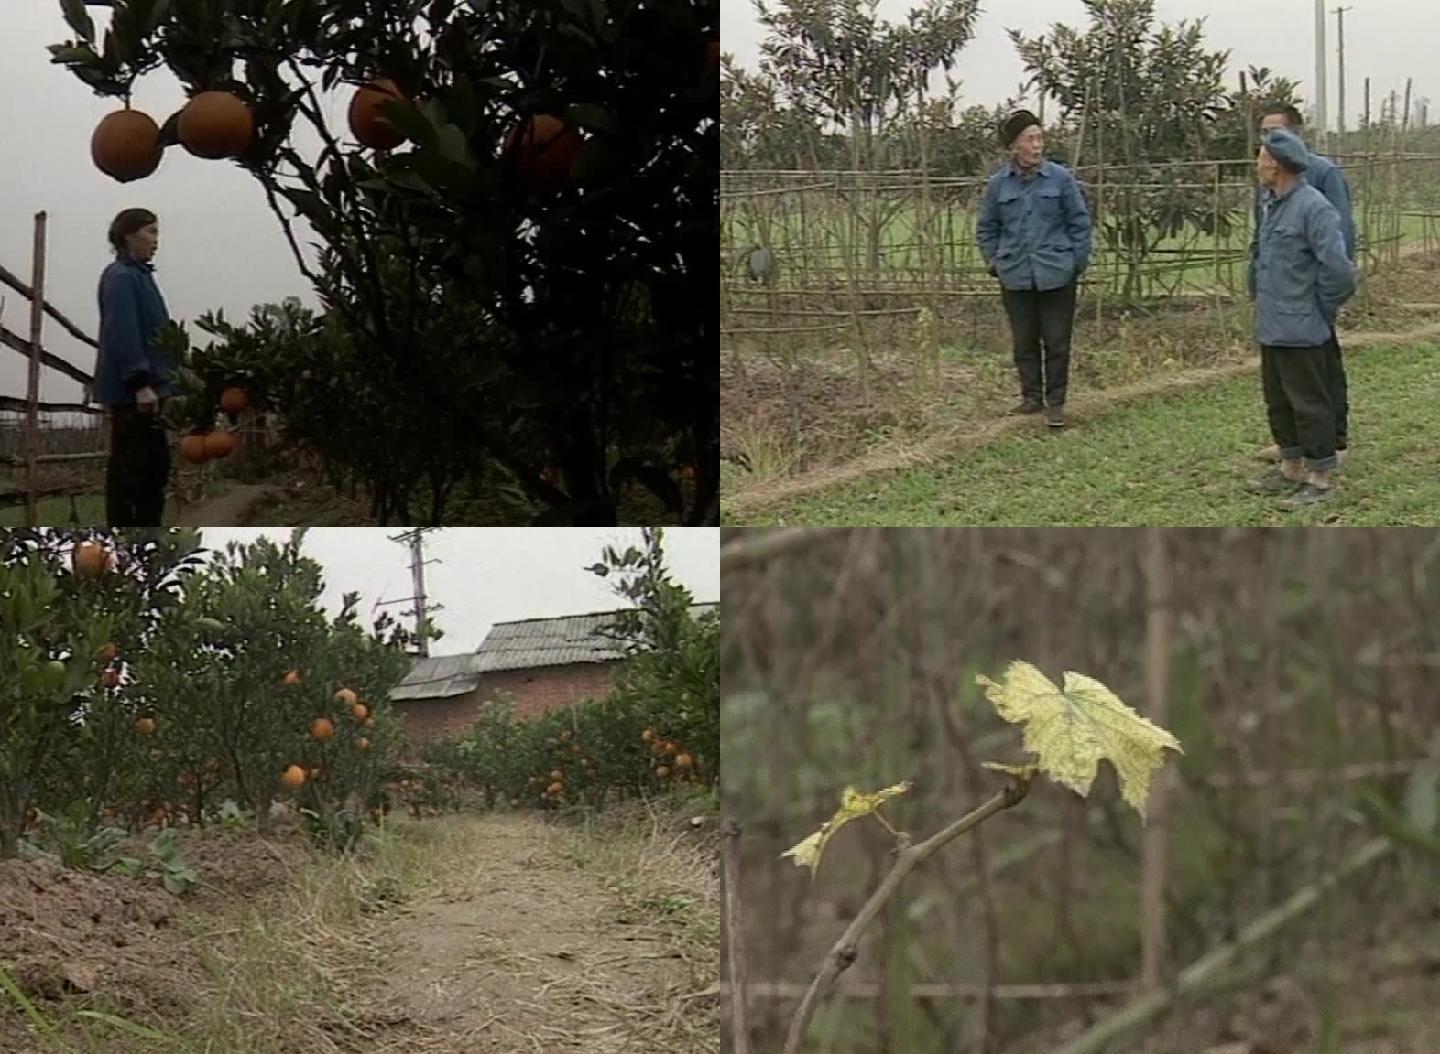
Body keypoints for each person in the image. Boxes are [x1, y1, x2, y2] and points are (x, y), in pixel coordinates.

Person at [1247, 129, 1355, 508]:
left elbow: (1339, 272)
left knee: (1310, 403)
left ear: (1276, 166)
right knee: (1278, 400)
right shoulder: (1270, 203)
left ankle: (1320, 477)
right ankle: (1290, 467)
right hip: (1273, 323)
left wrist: (1319, 307)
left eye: (1261, 157)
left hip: (1303, 326)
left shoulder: (1314, 207)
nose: (1257, 164)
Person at [976, 109, 1092, 428]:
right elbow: (987, 228)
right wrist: (994, 261)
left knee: (1056, 341)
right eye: (1031, 139)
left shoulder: (1060, 179)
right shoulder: (999, 185)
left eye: (1040, 138)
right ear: (1015, 146)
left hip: (1057, 272)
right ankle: (1031, 398)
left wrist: (1076, 262)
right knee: (1024, 341)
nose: (1037, 145)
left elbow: (1079, 222)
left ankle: (1056, 403)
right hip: (1015, 274)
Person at [97, 208, 175, 527]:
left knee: (153, 471)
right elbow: (124, 332)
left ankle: (148, 535)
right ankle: (130, 538)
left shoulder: (141, 276)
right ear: (129, 235)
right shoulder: (121, 278)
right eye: (151, 232)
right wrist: (140, 382)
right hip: (135, 395)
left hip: (151, 391)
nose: (156, 240)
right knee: (132, 474)